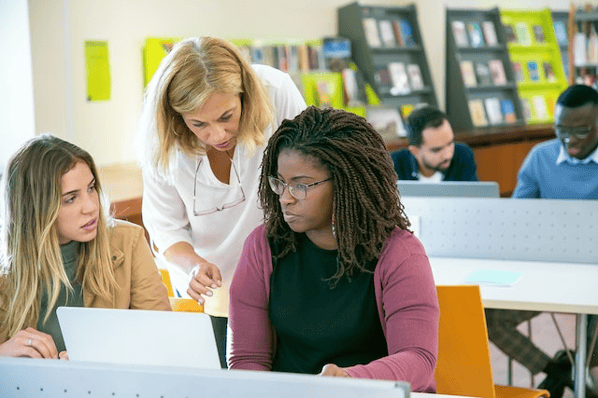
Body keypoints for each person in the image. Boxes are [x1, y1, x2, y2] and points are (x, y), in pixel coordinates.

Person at [228, 106, 439, 390]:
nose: (285, 198)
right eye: (280, 183)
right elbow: (247, 359)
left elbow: (418, 359)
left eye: (301, 185)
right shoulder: (262, 246)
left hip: (372, 395)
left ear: (345, 183)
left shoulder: (399, 253)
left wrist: (347, 381)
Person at [135, 36, 306, 367]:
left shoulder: (276, 91)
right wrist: (192, 266)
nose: (217, 135)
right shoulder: (161, 140)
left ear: (245, 95)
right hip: (215, 297)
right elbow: (165, 228)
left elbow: (311, 174)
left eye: (227, 115)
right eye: (198, 123)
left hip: (291, 281)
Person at [0, 135, 170, 359]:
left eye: (91, 188)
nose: (91, 207)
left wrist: (104, 356)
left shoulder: (128, 241)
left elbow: (163, 337)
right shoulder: (6, 271)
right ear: (36, 208)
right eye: (71, 198)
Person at [487, 84, 598, 398]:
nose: (569, 139)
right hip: (549, 271)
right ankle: (559, 371)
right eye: (561, 129)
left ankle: (581, 372)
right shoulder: (540, 157)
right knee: (492, 319)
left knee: (593, 343)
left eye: (581, 130)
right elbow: (517, 220)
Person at [391, 105, 478, 181]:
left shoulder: (462, 154)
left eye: (450, 143)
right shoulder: (393, 165)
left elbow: (474, 198)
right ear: (415, 151)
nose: (448, 155)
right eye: (437, 150)